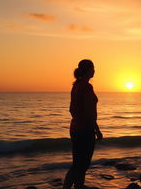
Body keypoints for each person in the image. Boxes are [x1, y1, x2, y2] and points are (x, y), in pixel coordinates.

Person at [63, 59, 103, 189]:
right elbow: (89, 112)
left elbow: (71, 109)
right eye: (93, 68)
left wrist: (78, 119)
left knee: (77, 164)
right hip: (85, 129)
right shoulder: (86, 86)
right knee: (82, 165)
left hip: (75, 128)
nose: (94, 71)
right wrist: (97, 130)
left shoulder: (76, 85)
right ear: (88, 70)